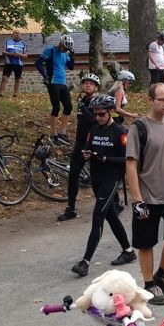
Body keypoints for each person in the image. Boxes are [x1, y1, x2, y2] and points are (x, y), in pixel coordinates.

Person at [125, 83, 164, 306]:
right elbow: (131, 164)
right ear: (150, 100)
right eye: (162, 99)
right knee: (146, 243)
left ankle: (162, 273)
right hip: (148, 197)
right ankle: (148, 283)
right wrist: (137, 199)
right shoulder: (139, 128)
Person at [73, 94, 134, 275]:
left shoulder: (120, 132)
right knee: (111, 216)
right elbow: (88, 147)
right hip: (96, 178)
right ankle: (128, 251)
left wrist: (105, 158)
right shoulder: (94, 130)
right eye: (96, 114)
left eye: (102, 114)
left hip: (112, 178)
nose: (98, 117)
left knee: (98, 216)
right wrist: (87, 154)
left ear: (111, 112)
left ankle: (85, 262)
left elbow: (126, 158)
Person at [58, 73, 105, 222]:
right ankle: (71, 208)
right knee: (73, 175)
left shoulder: (98, 101)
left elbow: (93, 120)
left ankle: (113, 203)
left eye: (91, 83)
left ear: (96, 87)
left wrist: (83, 106)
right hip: (80, 143)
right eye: (85, 83)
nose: (87, 85)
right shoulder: (83, 100)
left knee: (100, 176)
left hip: (95, 143)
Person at [35, 34, 75, 146]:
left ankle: (62, 133)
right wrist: (45, 76)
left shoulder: (65, 54)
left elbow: (71, 67)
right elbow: (38, 63)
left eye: (67, 49)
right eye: (65, 48)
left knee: (68, 107)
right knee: (56, 107)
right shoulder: (50, 50)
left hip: (62, 83)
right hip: (52, 82)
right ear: (60, 43)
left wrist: (72, 56)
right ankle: (53, 135)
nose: (65, 50)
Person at [0, 30, 28, 97]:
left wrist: (19, 54)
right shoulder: (8, 42)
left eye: (19, 33)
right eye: (16, 33)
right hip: (8, 63)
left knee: (17, 79)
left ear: (20, 35)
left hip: (19, 64)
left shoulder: (23, 44)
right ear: (13, 34)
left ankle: (15, 94)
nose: (17, 34)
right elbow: (3, 52)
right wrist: (10, 54)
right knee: (4, 78)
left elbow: (26, 55)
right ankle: (1, 93)